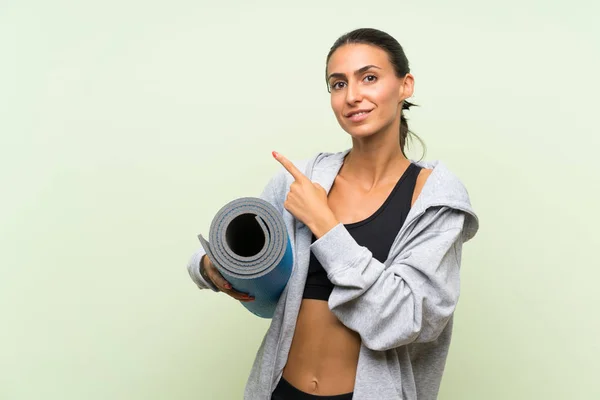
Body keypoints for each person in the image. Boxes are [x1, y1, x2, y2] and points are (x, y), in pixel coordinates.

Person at [187, 28, 479, 400]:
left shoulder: (434, 200)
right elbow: (239, 258)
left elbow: (404, 319)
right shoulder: (303, 180)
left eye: (369, 78)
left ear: (405, 85)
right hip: (279, 390)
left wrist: (324, 224)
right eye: (338, 84)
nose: (352, 96)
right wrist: (212, 269)